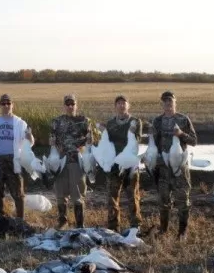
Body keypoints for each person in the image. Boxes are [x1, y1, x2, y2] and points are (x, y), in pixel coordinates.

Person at [151, 91, 197, 241]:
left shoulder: (183, 119)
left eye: (170, 102)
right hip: (163, 168)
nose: (168, 104)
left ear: (175, 103)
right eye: (165, 102)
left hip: (180, 167)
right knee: (163, 200)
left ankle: (182, 232)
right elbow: (154, 144)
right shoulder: (157, 121)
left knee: (183, 199)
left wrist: (181, 134)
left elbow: (194, 141)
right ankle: (163, 230)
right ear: (162, 104)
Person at [0, 94, 34, 219]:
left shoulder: (20, 123)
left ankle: (20, 220)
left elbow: (29, 143)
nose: (6, 105)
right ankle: (0, 218)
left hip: (13, 160)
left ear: (12, 105)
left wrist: (29, 137)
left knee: (18, 192)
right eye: (3, 103)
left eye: (8, 103)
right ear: (0, 105)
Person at [99, 95, 144, 232]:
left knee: (133, 196)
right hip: (114, 165)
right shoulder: (111, 123)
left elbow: (137, 140)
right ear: (115, 106)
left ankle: (135, 227)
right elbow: (107, 143)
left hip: (130, 165)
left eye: (124, 103)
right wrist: (103, 132)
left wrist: (132, 131)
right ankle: (113, 228)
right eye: (118, 103)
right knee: (112, 197)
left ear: (128, 105)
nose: (121, 105)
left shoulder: (135, 122)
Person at [49, 94, 91, 229]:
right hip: (60, 162)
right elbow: (52, 139)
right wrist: (52, 143)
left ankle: (80, 225)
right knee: (60, 195)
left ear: (76, 105)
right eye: (67, 104)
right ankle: (63, 222)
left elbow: (90, 141)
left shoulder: (84, 120)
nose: (70, 106)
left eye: (72, 104)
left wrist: (88, 143)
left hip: (77, 161)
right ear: (64, 105)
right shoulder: (56, 121)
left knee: (78, 195)